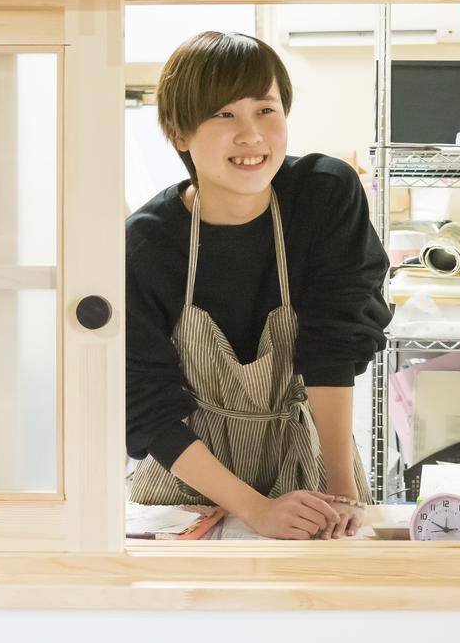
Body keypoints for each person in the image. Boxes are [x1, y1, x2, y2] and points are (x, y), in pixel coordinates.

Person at [125, 31, 392, 540]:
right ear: (178, 134)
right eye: (224, 114)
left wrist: (340, 493)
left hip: (313, 469)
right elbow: (144, 405)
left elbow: (334, 345)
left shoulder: (324, 196)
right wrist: (256, 509)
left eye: (265, 110)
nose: (251, 135)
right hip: (187, 487)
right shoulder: (146, 245)